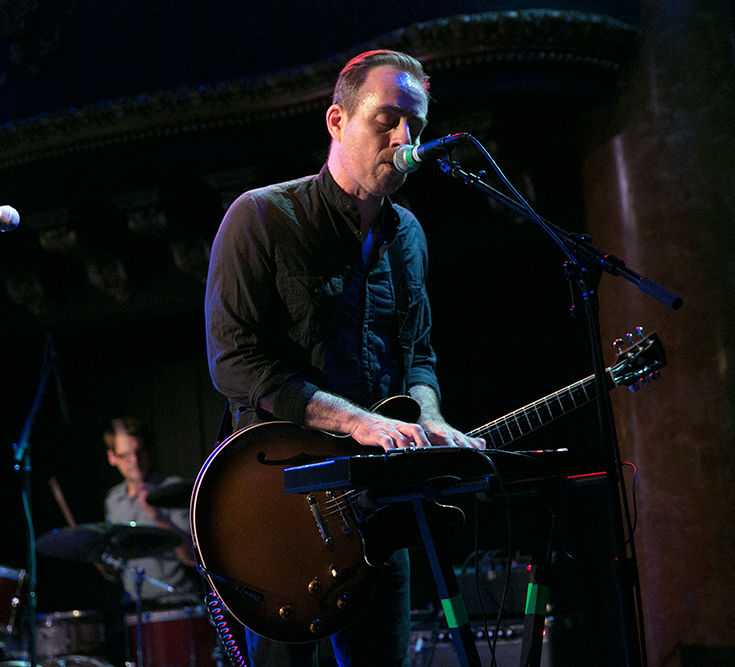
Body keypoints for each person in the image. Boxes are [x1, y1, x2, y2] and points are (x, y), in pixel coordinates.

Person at [204, 50, 485, 666]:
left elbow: (418, 355)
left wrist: (430, 416)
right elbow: (234, 362)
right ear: (337, 121)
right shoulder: (261, 216)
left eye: (415, 125)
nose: (405, 139)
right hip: (278, 507)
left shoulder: (409, 235)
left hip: (376, 507)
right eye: (387, 120)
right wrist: (357, 421)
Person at [103, 417, 201, 607]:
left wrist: (158, 516)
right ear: (112, 457)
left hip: (178, 602)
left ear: (149, 451)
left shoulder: (173, 491)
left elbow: (192, 556)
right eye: (125, 455)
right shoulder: (113, 500)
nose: (135, 461)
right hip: (134, 607)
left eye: (139, 452)